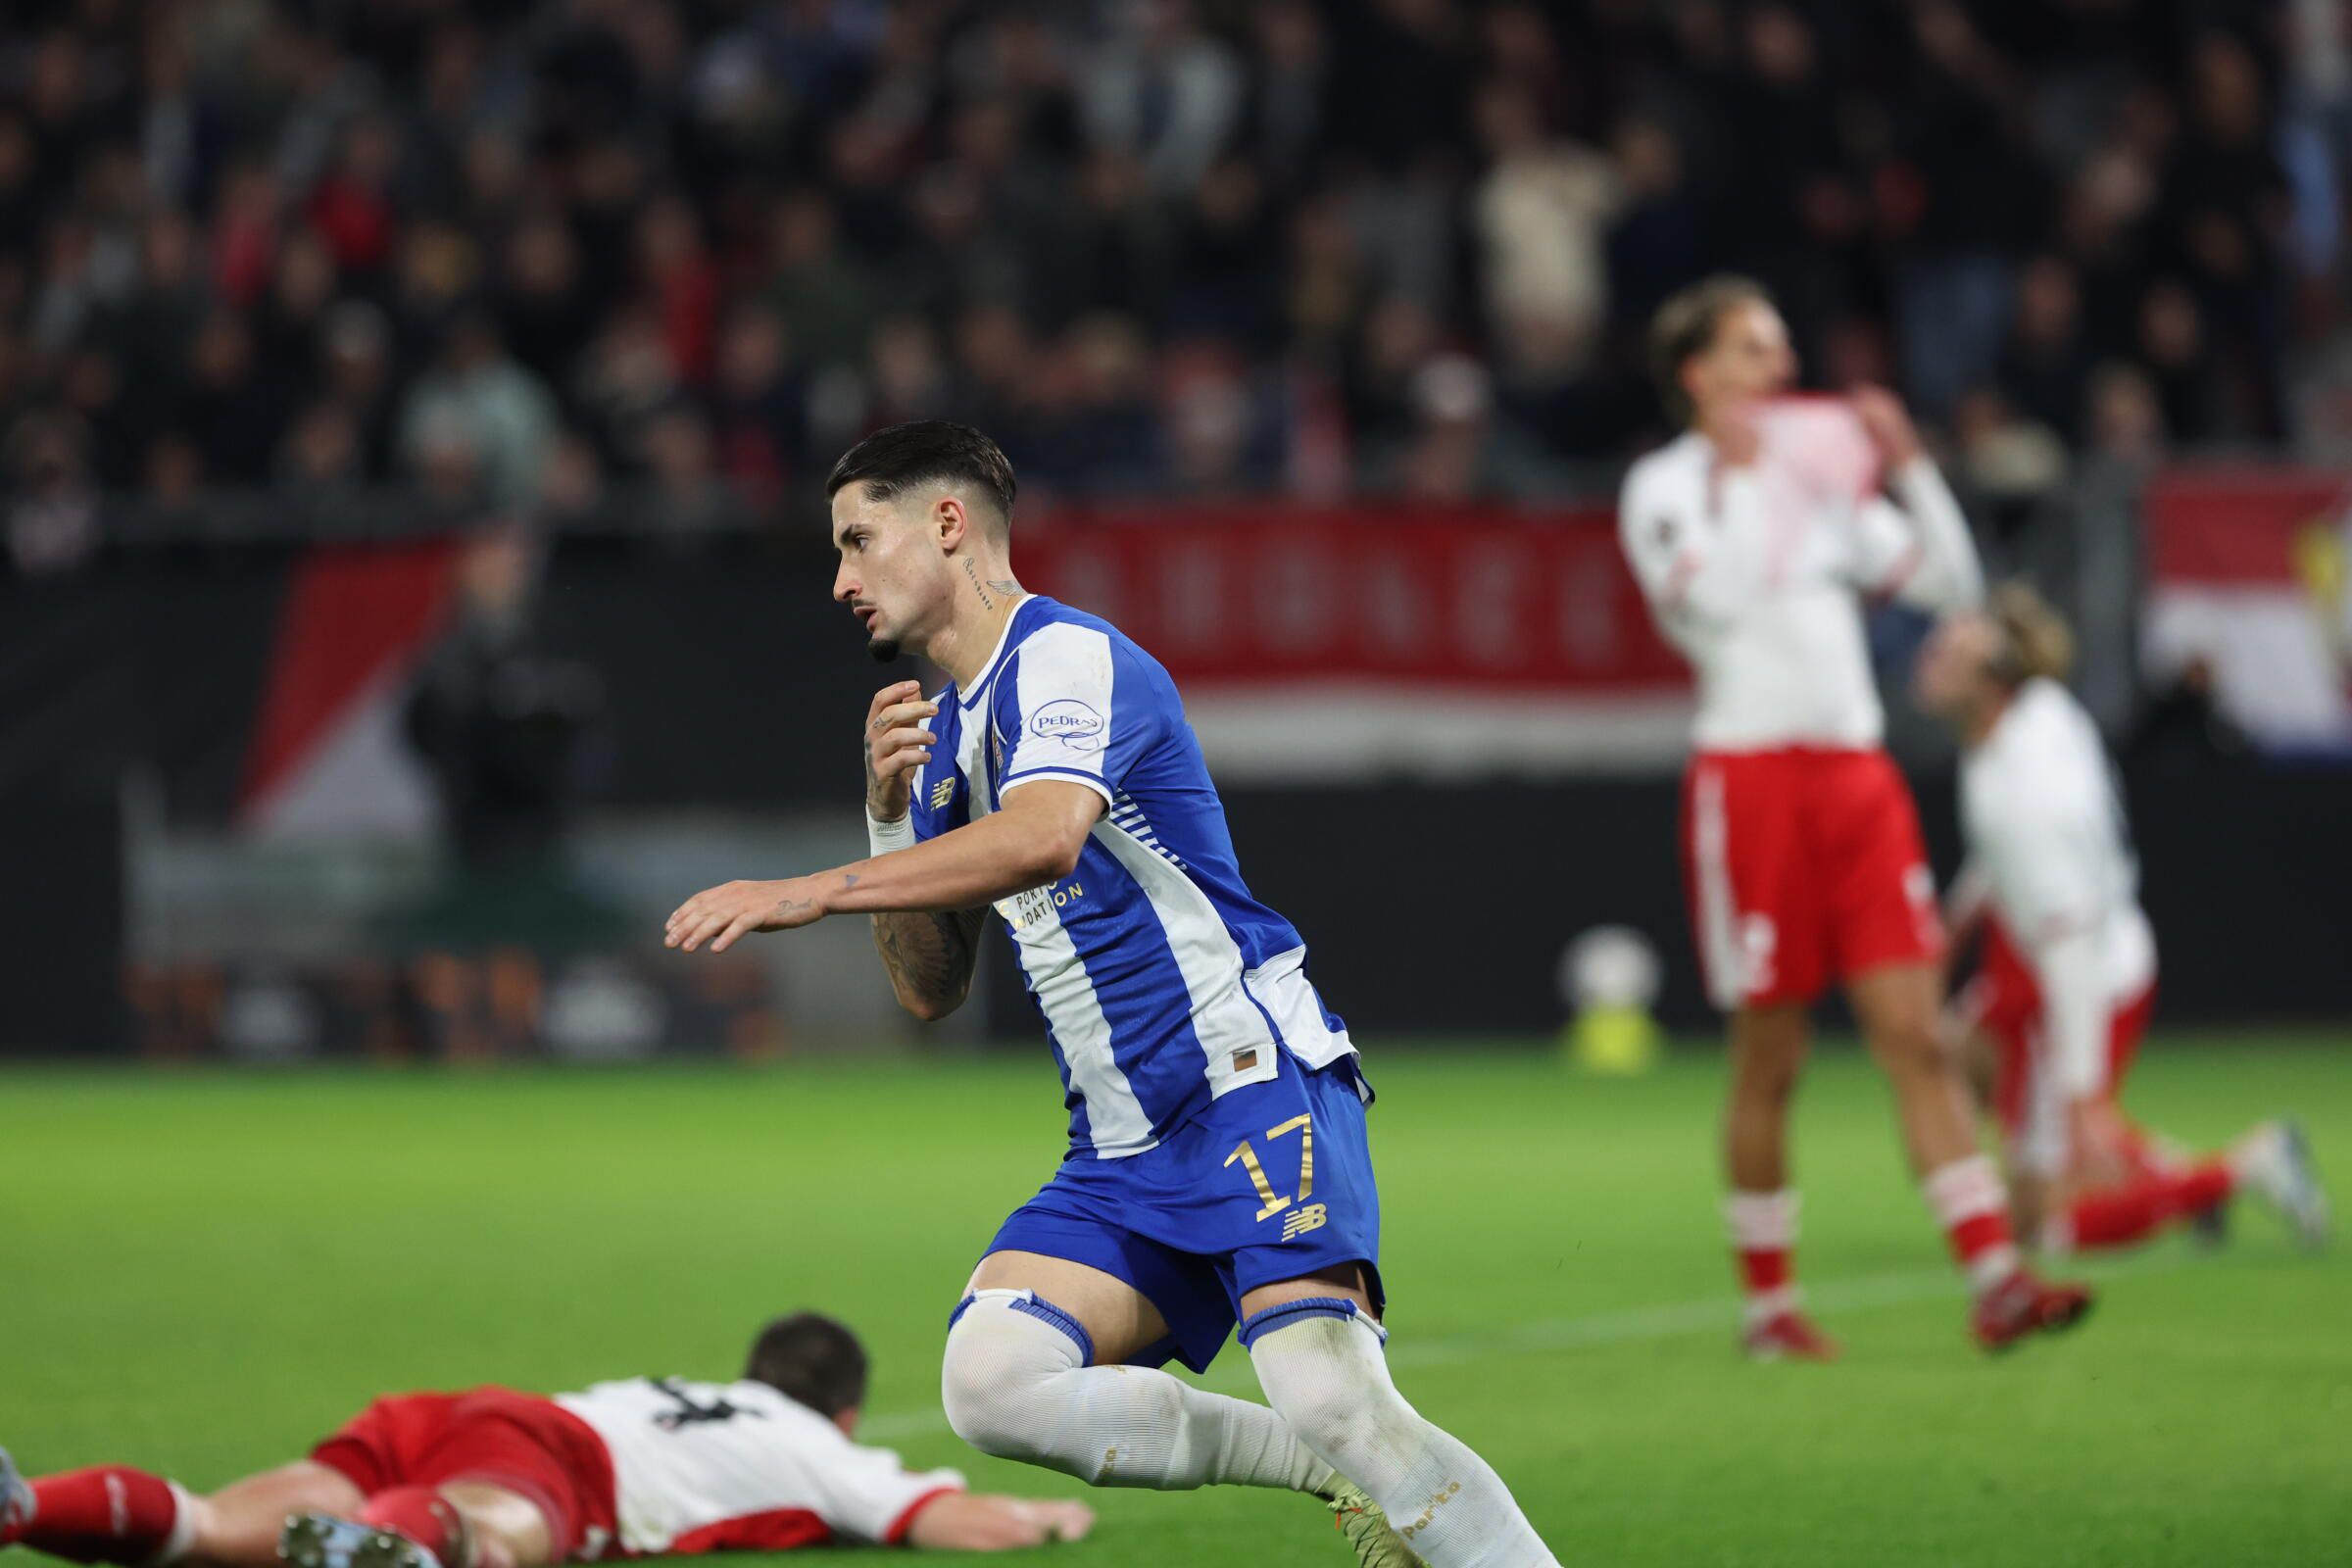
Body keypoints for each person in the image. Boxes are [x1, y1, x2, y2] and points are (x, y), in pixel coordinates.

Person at [665, 421, 1555, 1568]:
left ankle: (1368, 1467)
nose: (840, 579)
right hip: (1124, 1147)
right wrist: (888, 817)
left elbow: (1045, 837)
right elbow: (928, 988)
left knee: (1334, 1395)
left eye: (857, 539)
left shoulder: (1067, 657)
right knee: (991, 1384)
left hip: (1248, 1087)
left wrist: (813, 890)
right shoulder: (944, 737)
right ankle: (1325, 1471)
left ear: (947, 523)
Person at [1617, 276, 2091, 1358]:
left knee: (1917, 1034)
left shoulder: (1818, 481)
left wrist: (1911, 461)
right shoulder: (1666, 484)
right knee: (1770, 1053)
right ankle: (1769, 1306)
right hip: (1752, 783)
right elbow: (1703, 607)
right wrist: (1740, 486)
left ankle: (1995, 1278)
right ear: (1699, 374)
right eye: (1752, 350)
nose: (1779, 370)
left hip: (1856, 777)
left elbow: (1953, 589)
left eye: (1779, 348)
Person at [1914, 584, 2330, 1254]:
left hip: (2085, 980)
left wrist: (2083, 1099)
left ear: (1990, 681)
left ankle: (2240, 1168)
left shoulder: (2025, 795)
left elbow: (2069, 942)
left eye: (1945, 655)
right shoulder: (2032, 714)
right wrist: (1958, 923)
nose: (1924, 663)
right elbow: (2005, 861)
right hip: (2058, 951)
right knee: (1956, 1063)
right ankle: (2172, 1174)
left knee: (2045, 1230)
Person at [0, 1314, 1090, 1567]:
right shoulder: (820, 1447)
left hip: (483, 1411)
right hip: (563, 1466)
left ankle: (27, 1504)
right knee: (492, 1534)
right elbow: (939, 1514)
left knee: (210, 1526)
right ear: (844, 1411)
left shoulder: (708, 1388)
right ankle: (408, 1547)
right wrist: (1042, 1514)